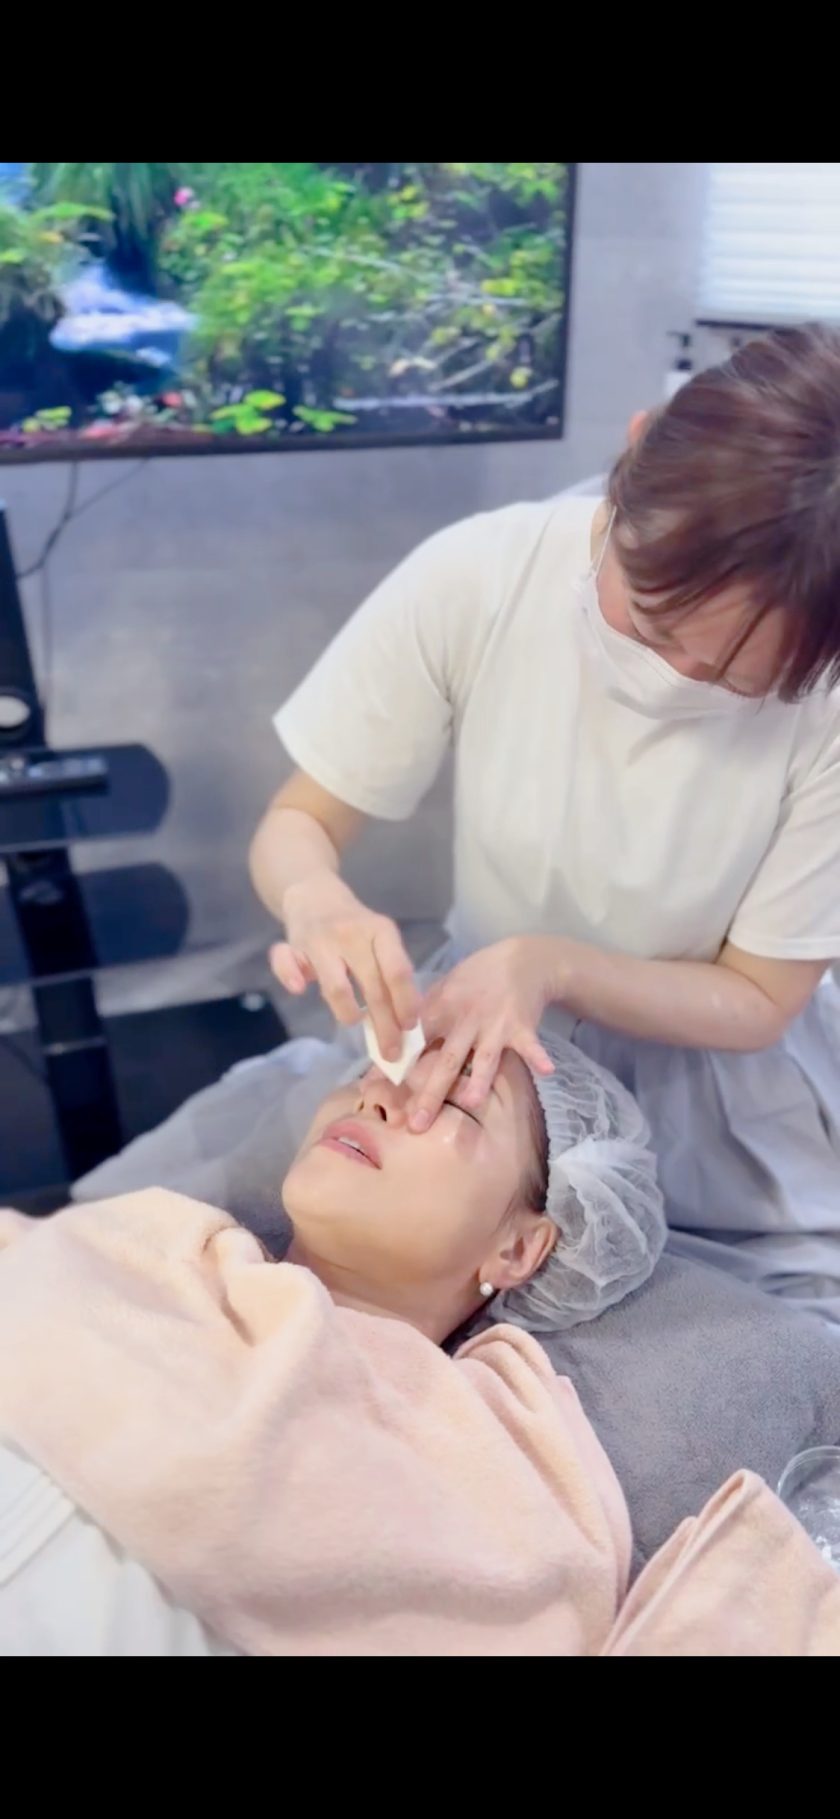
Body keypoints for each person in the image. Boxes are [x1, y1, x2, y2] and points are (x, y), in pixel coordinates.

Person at [252, 324, 840, 1325]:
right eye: (652, 622)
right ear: (636, 446)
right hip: (473, 1028)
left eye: (731, 678)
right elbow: (301, 817)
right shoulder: (481, 576)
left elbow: (757, 997)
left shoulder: (825, 697)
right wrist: (315, 897)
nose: (675, 677)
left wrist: (552, 965)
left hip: (713, 1076)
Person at [0, 1033, 663, 1656]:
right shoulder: (153, 1240)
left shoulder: (481, 1469)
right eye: (379, 1068)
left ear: (518, 1248)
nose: (377, 1094)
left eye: (456, 1101)